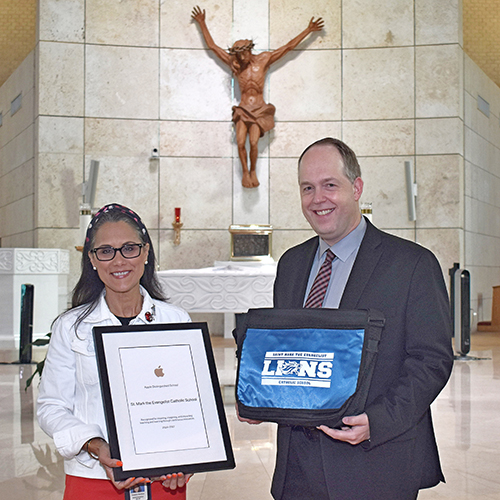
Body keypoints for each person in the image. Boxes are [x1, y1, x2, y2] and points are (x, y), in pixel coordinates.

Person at [239, 138, 454, 499]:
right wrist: (261, 393)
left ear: (356, 188)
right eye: (307, 188)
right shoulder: (291, 264)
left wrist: (377, 422)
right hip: (298, 467)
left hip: (374, 462)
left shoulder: (412, 265)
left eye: (330, 185)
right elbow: (287, 348)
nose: (317, 198)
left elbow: (431, 361)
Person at [37, 203, 191, 499]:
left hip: (164, 477)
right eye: (106, 251)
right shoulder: (71, 328)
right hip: (93, 477)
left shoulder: (176, 321)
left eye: (129, 248)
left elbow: (190, 404)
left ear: (146, 252)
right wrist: (95, 445)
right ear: (92, 260)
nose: (119, 260)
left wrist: (189, 455)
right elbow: (51, 407)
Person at [191, 6, 324, 189]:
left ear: (249, 50)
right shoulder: (235, 64)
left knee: (253, 142)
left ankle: (253, 170)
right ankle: (245, 172)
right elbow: (213, 47)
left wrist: (308, 31)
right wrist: (202, 23)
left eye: (243, 54)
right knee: (239, 142)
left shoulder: (263, 60)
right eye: (238, 55)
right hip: (243, 109)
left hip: (259, 110)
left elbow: (287, 47)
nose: (241, 58)